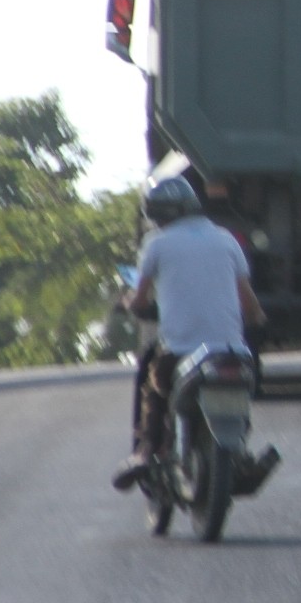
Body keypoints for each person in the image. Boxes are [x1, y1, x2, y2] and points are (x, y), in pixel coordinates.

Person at [113, 174, 269, 493]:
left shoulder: (156, 244)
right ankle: (238, 452)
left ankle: (146, 450)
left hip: (181, 353)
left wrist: (131, 304)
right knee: (240, 397)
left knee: (154, 386)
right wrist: (257, 320)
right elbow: (250, 306)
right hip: (231, 352)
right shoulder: (227, 239)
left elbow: (140, 300)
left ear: (155, 214)